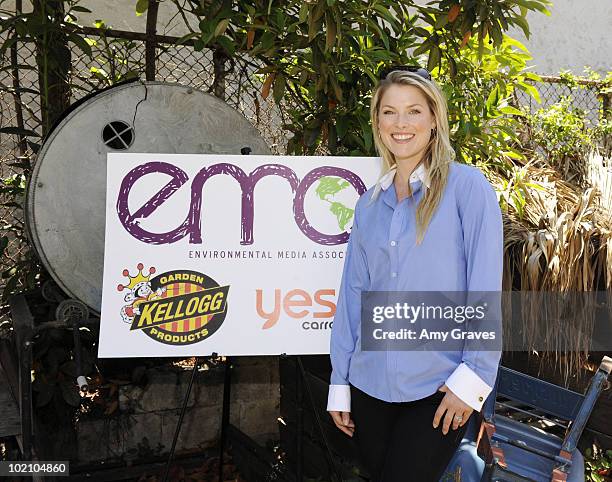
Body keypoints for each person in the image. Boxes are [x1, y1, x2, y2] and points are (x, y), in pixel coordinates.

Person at [327, 66, 503, 481]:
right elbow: (353, 299)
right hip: (368, 388)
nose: (401, 124)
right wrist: (340, 380)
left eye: (413, 111)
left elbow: (484, 289)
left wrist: (473, 379)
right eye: (389, 112)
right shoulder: (368, 205)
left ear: (434, 119)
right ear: (377, 122)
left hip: (439, 388)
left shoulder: (467, 188)